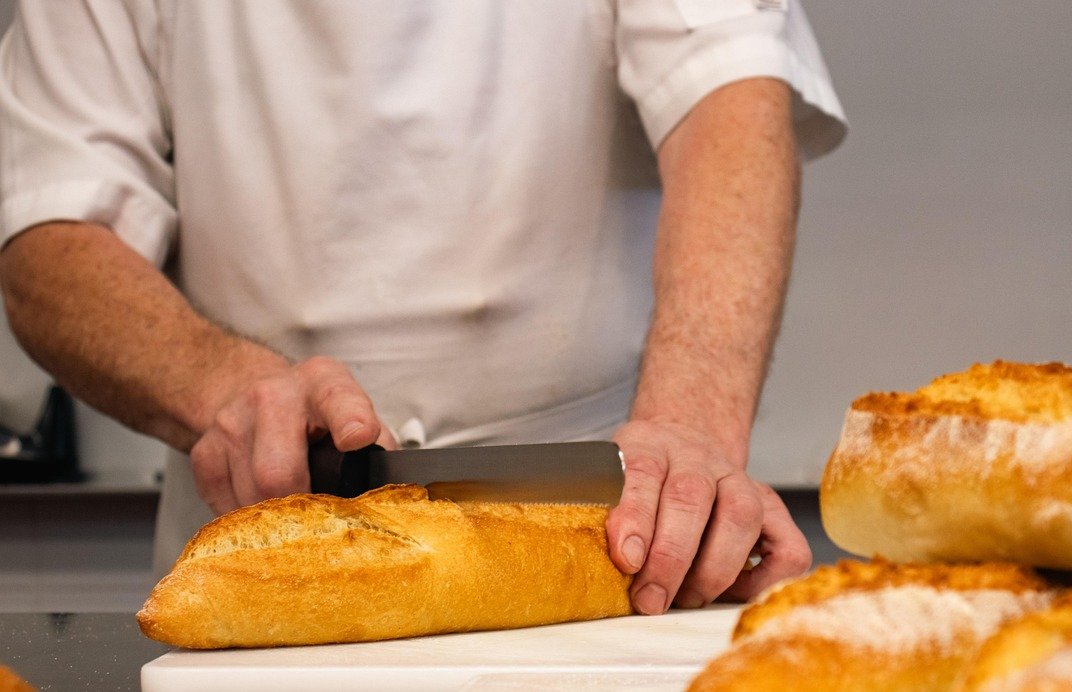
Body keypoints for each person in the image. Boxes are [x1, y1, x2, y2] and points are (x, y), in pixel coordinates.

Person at [0, 1, 845, 615]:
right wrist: (216, 382)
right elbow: (48, 225)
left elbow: (732, 100)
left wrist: (690, 427)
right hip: (266, 541)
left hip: (607, 541)